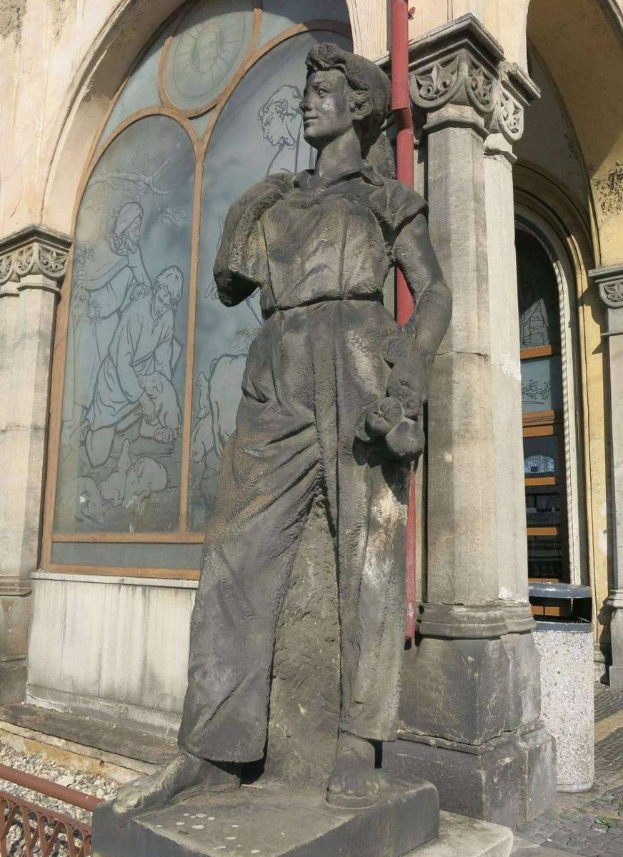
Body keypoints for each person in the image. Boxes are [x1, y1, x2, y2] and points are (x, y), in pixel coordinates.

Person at [111, 42, 451, 820]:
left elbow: (432, 293)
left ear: (358, 107)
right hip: (277, 364)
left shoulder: (384, 195)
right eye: (306, 93)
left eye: (323, 91)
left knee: (365, 550)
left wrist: (408, 371)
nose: (307, 103)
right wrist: (246, 209)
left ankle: (356, 741)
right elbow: (231, 282)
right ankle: (215, 747)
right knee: (235, 549)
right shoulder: (274, 201)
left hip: (358, 356)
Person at [62, 202, 150, 443]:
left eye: (139, 225)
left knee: (101, 377)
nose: (137, 230)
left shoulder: (133, 254)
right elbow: (85, 279)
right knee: (85, 374)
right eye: (135, 225)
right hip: (91, 324)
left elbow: (142, 286)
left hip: (111, 327)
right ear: (125, 224)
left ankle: (87, 428)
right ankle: (72, 427)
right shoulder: (103, 247)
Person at [84, 266, 183, 468]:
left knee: (174, 354)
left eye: (167, 302)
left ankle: (145, 426)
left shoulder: (167, 317)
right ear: (157, 289)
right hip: (114, 381)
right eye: (161, 296)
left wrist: (162, 395)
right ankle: (90, 428)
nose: (161, 305)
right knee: (97, 457)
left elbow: (163, 359)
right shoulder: (137, 312)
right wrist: (141, 396)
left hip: (143, 375)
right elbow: (122, 361)